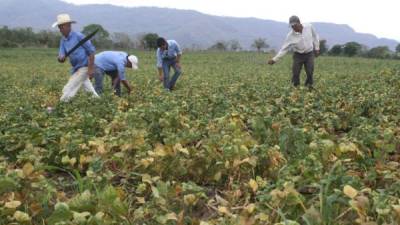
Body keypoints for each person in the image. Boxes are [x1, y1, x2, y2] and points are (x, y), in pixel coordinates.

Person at [53, 14, 99, 102]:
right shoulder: (63, 40)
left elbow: (91, 52)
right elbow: (61, 56)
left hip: (84, 67)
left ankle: (61, 105)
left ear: (68, 26)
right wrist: (61, 58)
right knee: (89, 90)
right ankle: (98, 102)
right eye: (59, 27)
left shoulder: (79, 36)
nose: (60, 29)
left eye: (62, 27)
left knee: (69, 88)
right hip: (76, 68)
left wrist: (90, 69)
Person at [268, 15, 320, 88]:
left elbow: (315, 36)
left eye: (294, 25)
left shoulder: (309, 26)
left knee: (310, 71)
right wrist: (274, 59)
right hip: (298, 55)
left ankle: (309, 87)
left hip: (309, 53)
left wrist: (317, 48)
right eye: (292, 26)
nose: (293, 28)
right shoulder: (290, 36)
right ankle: (295, 88)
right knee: (295, 73)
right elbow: (284, 49)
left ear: (299, 23)